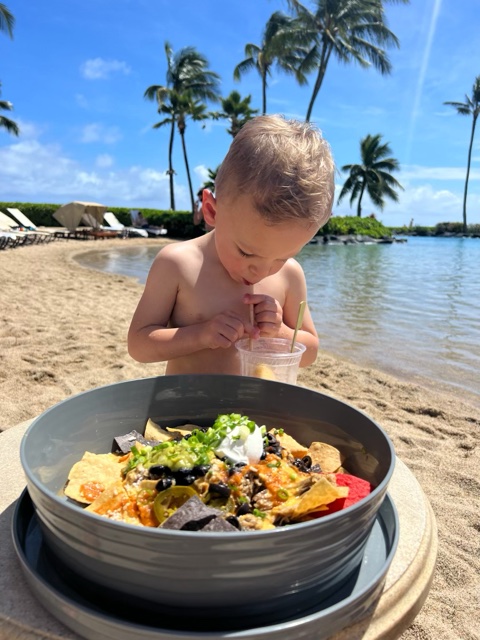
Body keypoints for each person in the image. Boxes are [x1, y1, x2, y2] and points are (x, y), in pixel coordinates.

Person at [128, 114, 335, 375]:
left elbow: (311, 352)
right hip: (188, 409)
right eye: (246, 252)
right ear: (212, 211)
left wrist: (279, 332)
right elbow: (138, 344)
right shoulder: (178, 264)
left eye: (282, 258)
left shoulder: (290, 275)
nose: (260, 271)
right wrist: (200, 335)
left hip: (255, 412)